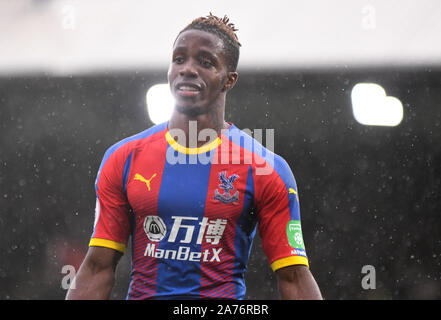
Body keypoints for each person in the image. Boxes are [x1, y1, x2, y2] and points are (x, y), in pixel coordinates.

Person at [66, 13, 322, 300]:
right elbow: (98, 267)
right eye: (179, 59)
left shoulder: (265, 168)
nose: (187, 69)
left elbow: (294, 277)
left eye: (205, 62)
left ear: (229, 80)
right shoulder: (123, 158)